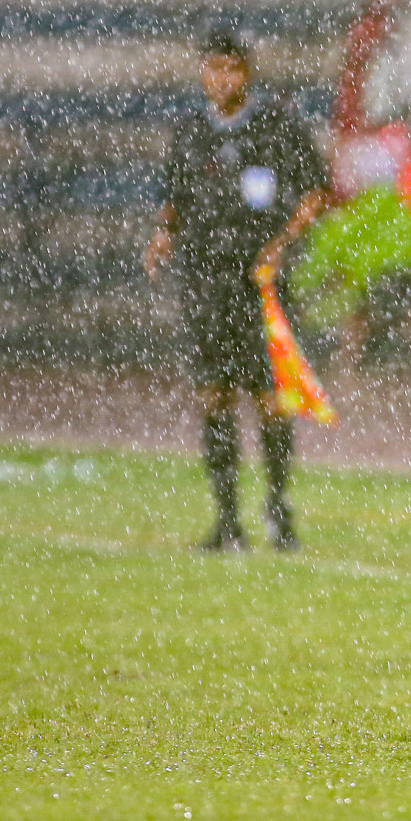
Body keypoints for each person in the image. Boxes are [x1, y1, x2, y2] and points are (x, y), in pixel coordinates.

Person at [144, 31, 331, 552]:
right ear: (202, 71)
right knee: (214, 396)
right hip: (206, 281)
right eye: (214, 67)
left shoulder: (277, 127)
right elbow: (174, 197)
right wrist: (163, 236)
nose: (222, 78)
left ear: (247, 73)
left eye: (232, 68)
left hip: (260, 282)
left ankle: (276, 508)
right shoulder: (189, 133)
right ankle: (227, 520)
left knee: (271, 398)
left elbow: (316, 190)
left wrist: (282, 244)